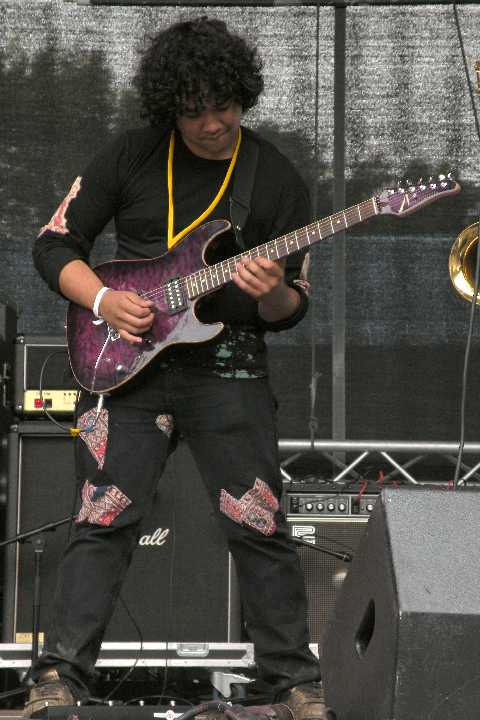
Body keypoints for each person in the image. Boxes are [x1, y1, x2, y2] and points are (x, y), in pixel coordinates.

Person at [24, 16, 329, 720]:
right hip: (126, 367)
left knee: (259, 522)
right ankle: (60, 676)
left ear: (243, 96)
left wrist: (272, 291)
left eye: (225, 106)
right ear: (170, 108)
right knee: (101, 519)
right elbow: (53, 244)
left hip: (229, 366)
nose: (213, 124)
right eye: (194, 111)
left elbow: (292, 307)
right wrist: (104, 299)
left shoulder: (276, 178)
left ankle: (291, 681)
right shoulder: (132, 154)